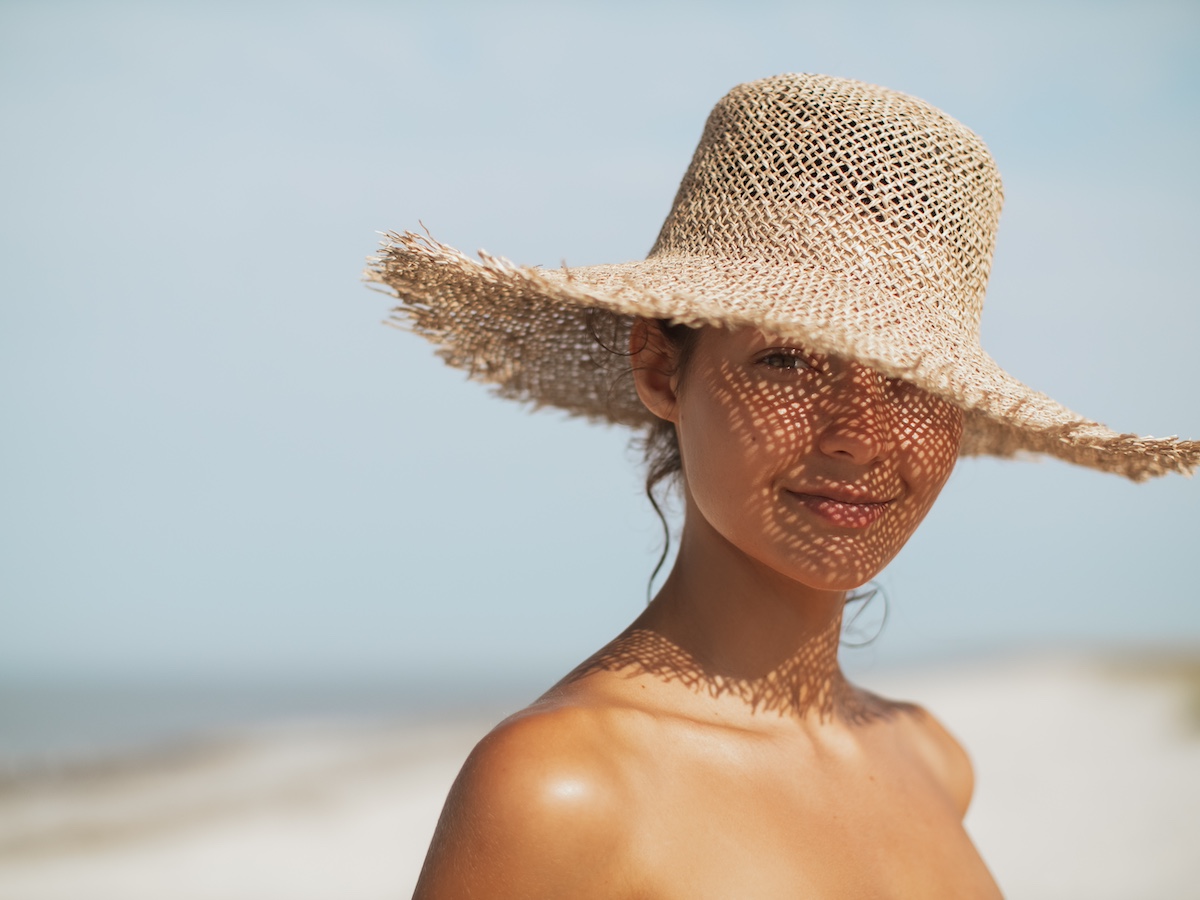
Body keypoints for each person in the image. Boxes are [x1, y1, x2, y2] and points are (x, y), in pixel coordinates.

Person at [367, 74, 1198, 898]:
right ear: (660, 366)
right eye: (788, 360)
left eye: (913, 381)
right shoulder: (561, 788)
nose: (859, 436)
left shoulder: (931, 758)